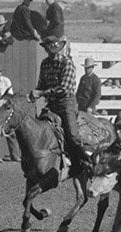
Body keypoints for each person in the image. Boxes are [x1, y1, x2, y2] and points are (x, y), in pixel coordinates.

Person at [30, 36, 89, 173]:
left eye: (54, 49)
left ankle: (85, 161)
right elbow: (41, 84)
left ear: (59, 49)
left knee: (73, 135)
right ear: (46, 49)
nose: (52, 52)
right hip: (51, 103)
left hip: (66, 103)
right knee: (39, 130)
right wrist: (35, 94)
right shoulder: (45, 63)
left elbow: (64, 88)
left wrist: (42, 92)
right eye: (49, 49)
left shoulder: (66, 63)